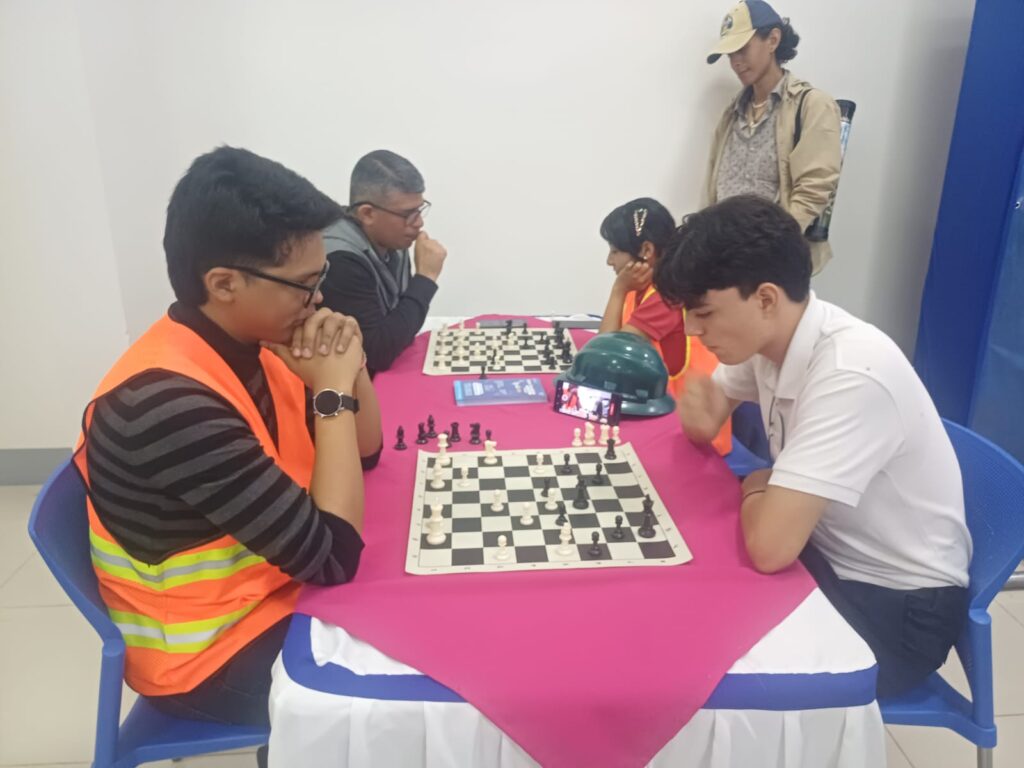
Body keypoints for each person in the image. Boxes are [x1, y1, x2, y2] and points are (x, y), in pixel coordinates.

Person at [73, 146, 383, 732]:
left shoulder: (253, 343)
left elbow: (366, 454)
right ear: (223, 283)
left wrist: (350, 361)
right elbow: (333, 557)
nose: (319, 301)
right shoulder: (168, 404)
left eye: (321, 279)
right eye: (304, 286)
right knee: (414, 678)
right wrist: (331, 391)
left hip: (274, 590)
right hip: (210, 657)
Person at [653, 194, 972, 696]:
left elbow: (770, 548)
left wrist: (758, 483)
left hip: (898, 611)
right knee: (687, 575)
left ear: (765, 298)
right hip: (828, 554)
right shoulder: (771, 340)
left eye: (705, 313)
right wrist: (711, 427)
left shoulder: (850, 372)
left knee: (694, 636)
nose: (693, 330)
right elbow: (707, 419)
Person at [704, 0, 841, 273]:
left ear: (773, 40)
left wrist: (772, 252)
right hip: (724, 257)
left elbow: (814, 189)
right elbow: (713, 184)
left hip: (774, 263)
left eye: (742, 48)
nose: (735, 62)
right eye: (729, 54)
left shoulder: (812, 105)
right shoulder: (733, 111)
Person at [598, 198, 730, 454]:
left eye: (614, 251)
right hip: (661, 414)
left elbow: (606, 365)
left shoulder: (666, 296)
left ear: (646, 250)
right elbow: (606, 348)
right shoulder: (643, 288)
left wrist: (617, 291)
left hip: (691, 433)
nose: (609, 261)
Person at [320, 150, 447, 373]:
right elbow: (376, 354)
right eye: (408, 214)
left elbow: (400, 323)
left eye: (419, 209)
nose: (418, 223)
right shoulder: (340, 261)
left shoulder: (393, 240)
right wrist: (425, 279)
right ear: (367, 213)